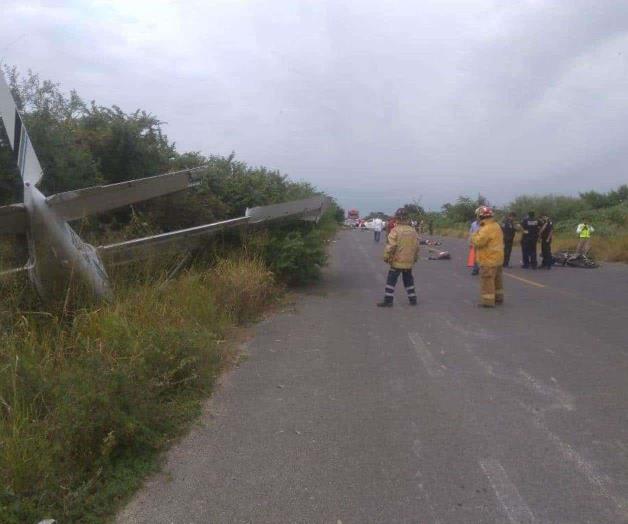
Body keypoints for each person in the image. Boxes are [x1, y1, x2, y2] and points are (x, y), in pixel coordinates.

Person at [377, 208, 420, 307]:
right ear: (407, 218)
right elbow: (417, 246)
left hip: (397, 260)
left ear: (396, 218)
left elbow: (391, 246)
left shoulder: (395, 230)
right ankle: (413, 299)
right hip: (409, 261)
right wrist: (415, 258)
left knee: (391, 280)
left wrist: (386, 257)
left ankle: (388, 300)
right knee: (408, 279)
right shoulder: (413, 231)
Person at [471, 206, 504, 307]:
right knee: (497, 280)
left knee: (487, 281)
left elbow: (478, 242)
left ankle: (487, 301)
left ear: (480, 216)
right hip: (498, 258)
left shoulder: (485, 229)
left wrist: (474, 234)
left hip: (487, 259)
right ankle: (499, 297)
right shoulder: (496, 226)